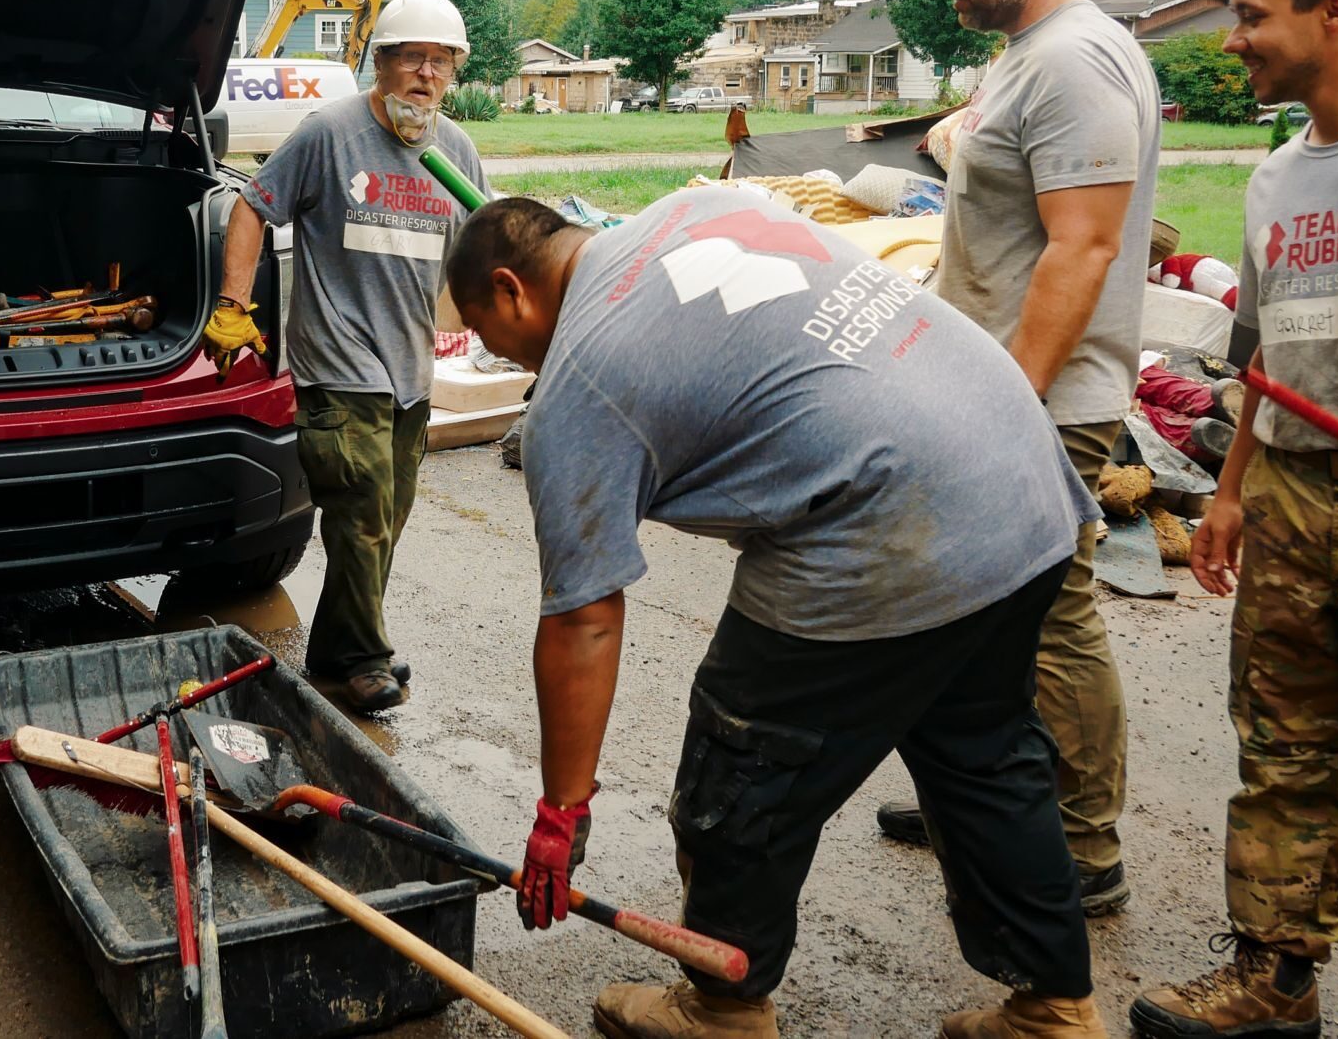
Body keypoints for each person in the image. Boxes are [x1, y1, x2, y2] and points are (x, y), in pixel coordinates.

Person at [447, 192, 1109, 1039]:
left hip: (886, 520)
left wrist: (561, 811)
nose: (498, 353)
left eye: (487, 333)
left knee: (743, 766)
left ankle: (724, 1010)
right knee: (983, 752)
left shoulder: (582, 378)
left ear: (510, 290)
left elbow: (584, 618)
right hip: (1019, 472)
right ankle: (1054, 1009)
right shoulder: (699, 203)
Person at [1130, 0, 1338, 1037]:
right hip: (1295, 495)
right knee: (1285, 747)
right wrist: (1232, 493)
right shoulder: (1274, 180)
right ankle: (1273, 977)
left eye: (1250, 16)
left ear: (1332, 11)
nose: (1232, 41)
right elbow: (1264, 362)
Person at [875, 0, 1161, 917]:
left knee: (1049, 617)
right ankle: (986, 802)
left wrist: (1006, 399)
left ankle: (1081, 846)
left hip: (1042, 398)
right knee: (977, 611)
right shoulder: (1027, 59)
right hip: (1002, 384)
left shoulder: (1075, 62)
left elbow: (1080, 250)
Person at [203, 0, 488, 713]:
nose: (426, 75)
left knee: (385, 519)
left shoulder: (455, 152)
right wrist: (233, 304)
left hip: (411, 374)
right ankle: (366, 658)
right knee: (361, 507)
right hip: (339, 364)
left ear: (454, 73)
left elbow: (476, 249)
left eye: (441, 62)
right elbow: (251, 204)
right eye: (411, 59)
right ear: (381, 63)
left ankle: (336, 648)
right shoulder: (328, 133)